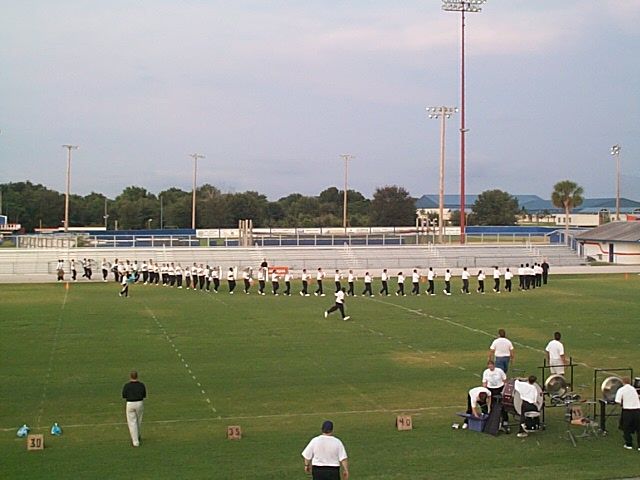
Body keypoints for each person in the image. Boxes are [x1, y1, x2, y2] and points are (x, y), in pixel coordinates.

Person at [122, 370, 146, 447]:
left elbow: (124, 395)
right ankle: (137, 435)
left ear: (130, 376)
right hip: (139, 403)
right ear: (137, 376)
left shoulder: (127, 386)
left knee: (132, 422)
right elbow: (144, 395)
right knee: (138, 420)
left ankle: (135, 441)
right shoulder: (141, 385)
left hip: (130, 403)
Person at [614, 377, 640, 450]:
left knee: (626, 428)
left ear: (623, 382)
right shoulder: (633, 389)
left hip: (627, 411)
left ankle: (629, 444)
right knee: (639, 429)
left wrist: (622, 403)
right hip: (637, 411)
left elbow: (617, 401)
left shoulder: (621, 389)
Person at [482, 361, 509, 429]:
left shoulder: (499, 371)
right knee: (492, 405)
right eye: (489, 366)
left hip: (500, 388)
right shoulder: (486, 372)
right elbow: (484, 382)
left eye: (491, 365)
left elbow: (505, 379)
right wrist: (485, 390)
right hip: (491, 389)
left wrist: (504, 390)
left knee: (502, 405)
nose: (490, 367)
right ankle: (493, 420)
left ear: (494, 365)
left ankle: (505, 420)